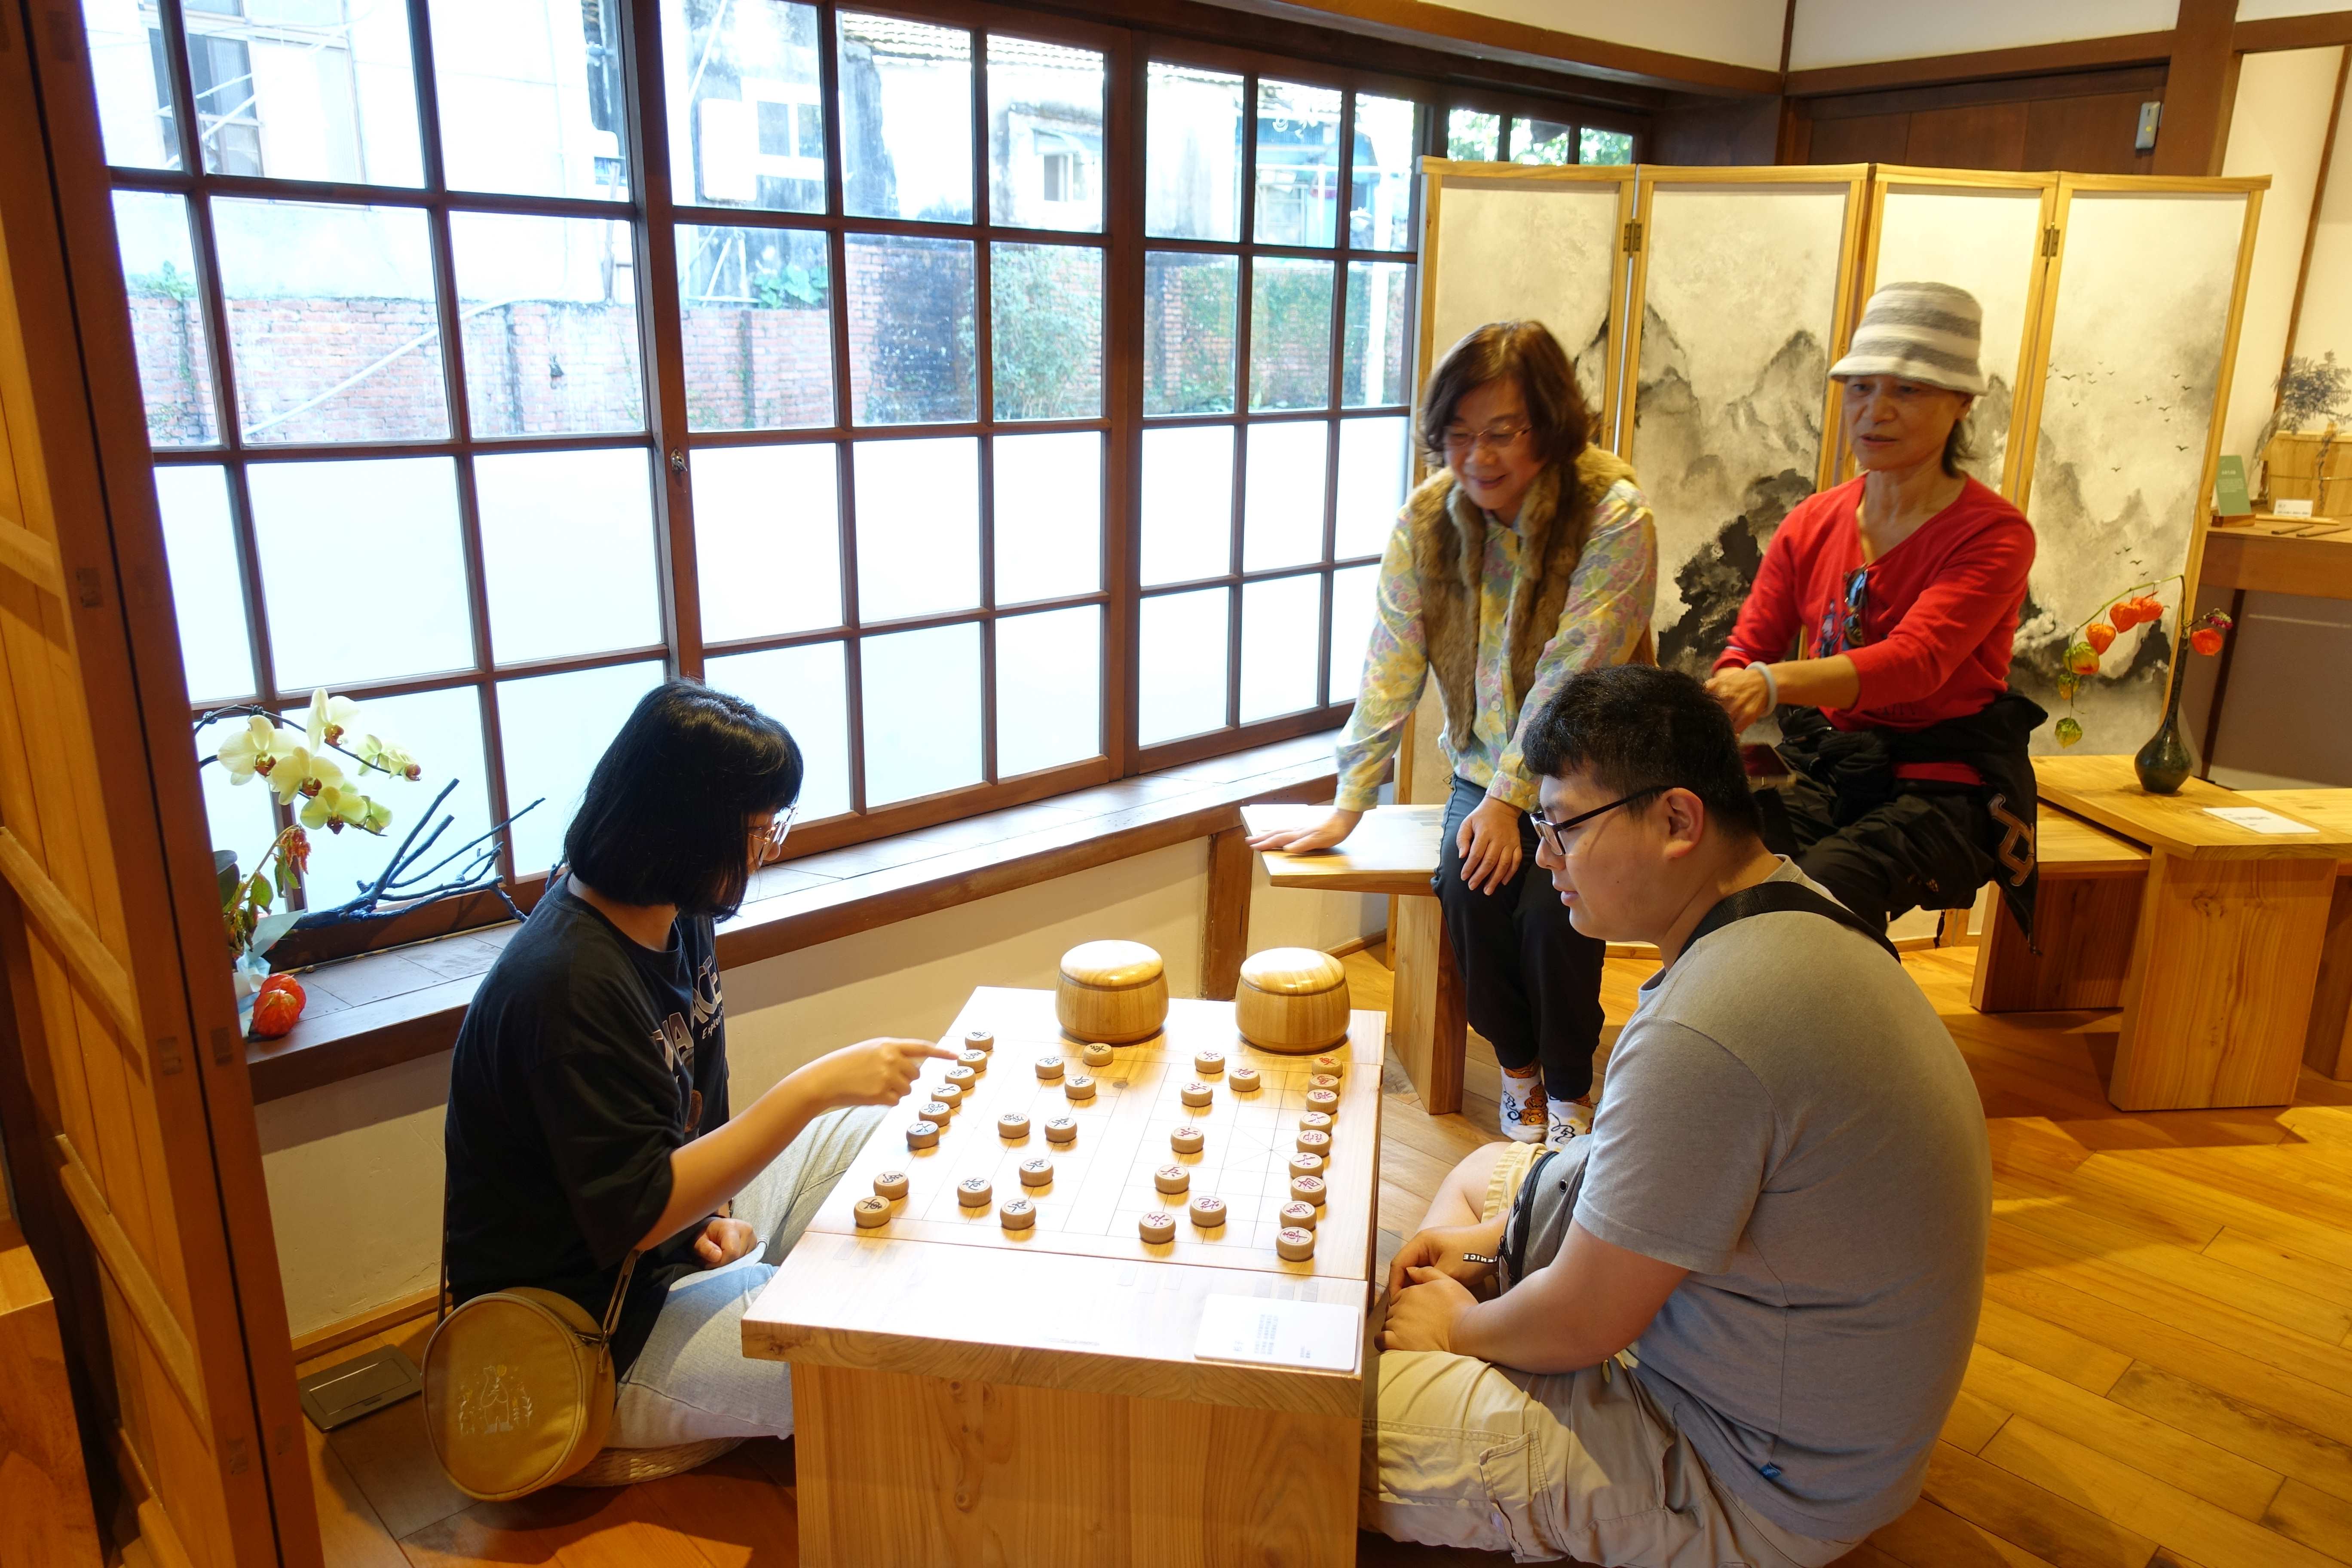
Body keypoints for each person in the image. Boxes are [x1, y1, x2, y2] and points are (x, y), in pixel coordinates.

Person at [1363, 664, 1990, 1567]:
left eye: (1564, 827)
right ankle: (1478, 1345)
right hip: (1825, 1411)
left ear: (1678, 821)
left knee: (1329, 1420)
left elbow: (1588, 1321)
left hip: (1754, 1479)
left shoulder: (1708, 1026)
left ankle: (1472, 1377)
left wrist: (1453, 1332)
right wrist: (1489, 1251)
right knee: (1481, 1178)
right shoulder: (1793, 911)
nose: (1545, 857)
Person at [441, 681, 950, 1449]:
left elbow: (687, 1114)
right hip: (591, 1330)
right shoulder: (568, 987)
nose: (766, 848)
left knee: (882, 1132)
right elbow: (639, 1211)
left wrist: (711, 1221)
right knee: (868, 1353)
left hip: (664, 1246)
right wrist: (809, 1089)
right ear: (685, 835)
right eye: (757, 831)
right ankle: (766, 1308)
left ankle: (763, 1289)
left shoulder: (673, 911)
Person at [1251, 320, 1657, 1148]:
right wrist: (1350, 800)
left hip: (1593, 769)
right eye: (1459, 434)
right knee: (1468, 890)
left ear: (1550, 424)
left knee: (1556, 911)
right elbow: (1391, 659)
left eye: (1503, 431)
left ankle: (1570, 1088)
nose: (1478, 456)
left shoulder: (1612, 514)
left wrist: (1512, 801)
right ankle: (1518, 1069)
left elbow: (1573, 668)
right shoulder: (1428, 520)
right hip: (1482, 770)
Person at [1704, 281, 2042, 938]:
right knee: (1719, 863)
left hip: (1943, 782)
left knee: (1824, 892)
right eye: (1860, 388)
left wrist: (1770, 684)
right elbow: (1751, 644)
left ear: (1962, 403)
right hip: (1831, 766)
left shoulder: (1994, 534)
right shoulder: (1812, 521)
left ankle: (1851, 1006)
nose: (1874, 412)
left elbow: (1916, 662)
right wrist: (1729, 691)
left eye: (1907, 391)